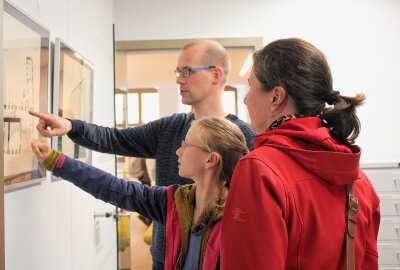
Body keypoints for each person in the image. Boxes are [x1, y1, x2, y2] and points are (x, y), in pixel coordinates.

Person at [29, 39, 255, 269]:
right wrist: (71, 126)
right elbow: (116, 145)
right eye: (178, 71)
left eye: (186, 71)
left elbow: (254, 210)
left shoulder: (244, 138)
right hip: (165, 257)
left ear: (215, 75)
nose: (178, 78)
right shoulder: (170, 187)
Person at [220, 38, 380, 269]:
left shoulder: (259, 169)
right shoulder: (359, 180)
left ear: (276, 97)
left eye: (250, 86)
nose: (245, 98)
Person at [31, 117, 249, 270]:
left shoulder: (239, 221)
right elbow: (113, 188)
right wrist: (55, 160)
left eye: (187, 145)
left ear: (211, 160)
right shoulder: (174, 202)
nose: (178, 151)